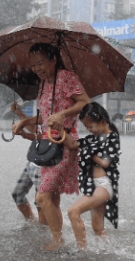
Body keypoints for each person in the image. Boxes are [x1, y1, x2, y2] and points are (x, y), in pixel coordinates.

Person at [12, 43, 90, 250]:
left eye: (40, 63)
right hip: (47, 145)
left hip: (63, 143)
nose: (37, 68)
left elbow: (85, 102)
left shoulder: (66, 77)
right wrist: (23, 121)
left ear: (53, 59)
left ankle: (58, 240)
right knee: (52, 197)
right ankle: (59, 236)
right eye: (33, 64)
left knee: (42, 196)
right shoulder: (44, 84)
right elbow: (44, 118)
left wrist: (63, 115)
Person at [53, 102, 121, 250]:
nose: (89, 130)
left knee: (73, 211)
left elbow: (106, 163)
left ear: (102, 121)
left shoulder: (112, 137)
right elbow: (71, 145)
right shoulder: (91, 140)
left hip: (104, 185)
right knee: (98, 229)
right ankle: (110, 251)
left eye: (91, 126)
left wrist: (90, 153)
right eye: (86, 127)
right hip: (93, 186)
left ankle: (82, 251)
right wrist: (59, 130)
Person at [10, 101, 46, 224]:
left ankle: (44, 233)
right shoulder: (43, 107)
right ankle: (31, 223)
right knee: (17, 194)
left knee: (41, 202)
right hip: (32, 161)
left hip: (45, 164)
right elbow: (36, 130)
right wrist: (20, 113)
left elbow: (45, 137)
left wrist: (25, 134)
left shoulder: (54, 111)